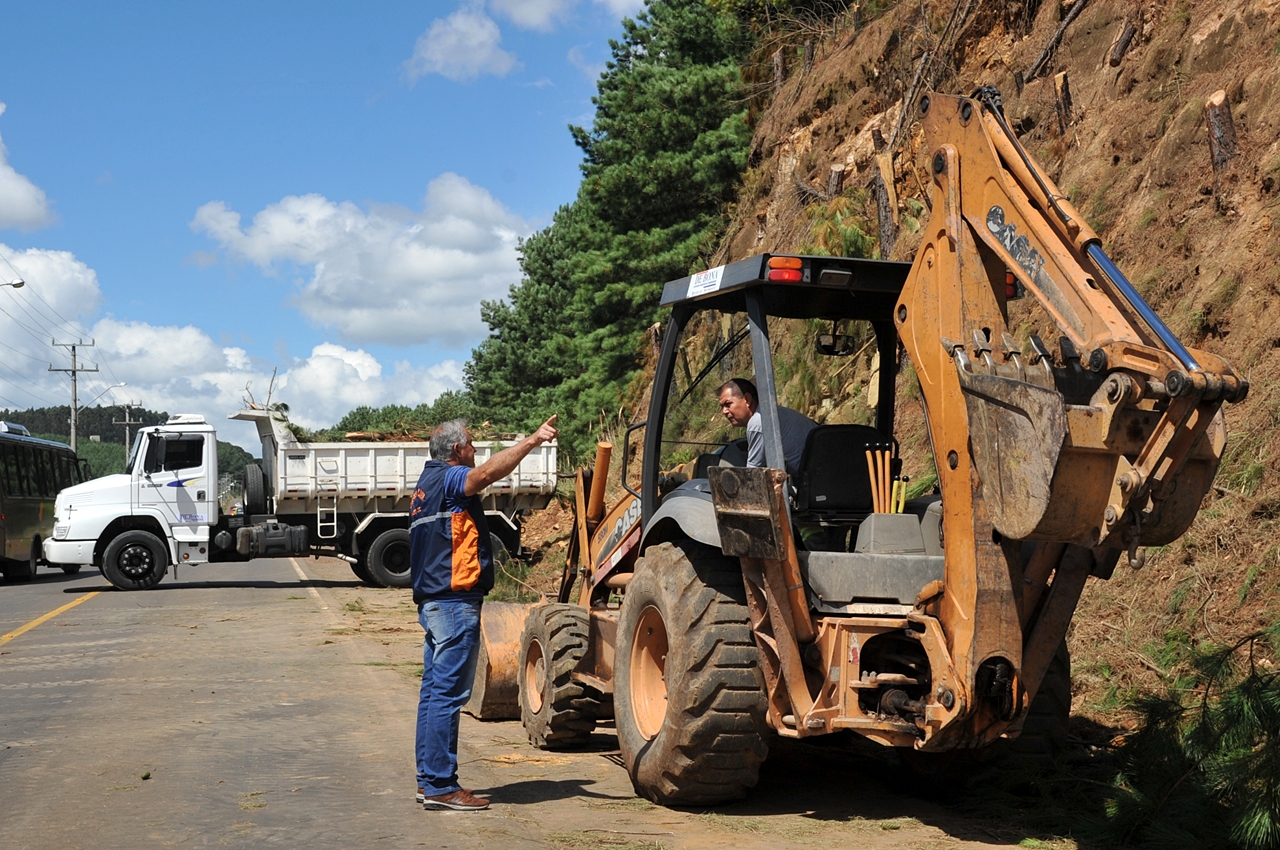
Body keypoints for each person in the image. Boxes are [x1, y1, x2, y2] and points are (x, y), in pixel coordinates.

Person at [410, 415, 558, 812]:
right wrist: (532, 441)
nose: (475, 453)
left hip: (434, 602)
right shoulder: (450, 479)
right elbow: (485, 475)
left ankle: (430, 781)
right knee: (447, 694)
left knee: (432, 694)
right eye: (472, 446)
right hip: (454, 602)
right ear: (457, 450)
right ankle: (441, 785)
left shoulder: (425, 486)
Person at [717, 377, 817, 477]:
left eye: (728, 404)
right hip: (820, 475)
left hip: (804, 483)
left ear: (747, 399)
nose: (724, 411)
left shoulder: (759, 422)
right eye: (722, 407)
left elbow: (752, 474)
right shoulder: (778, 412)